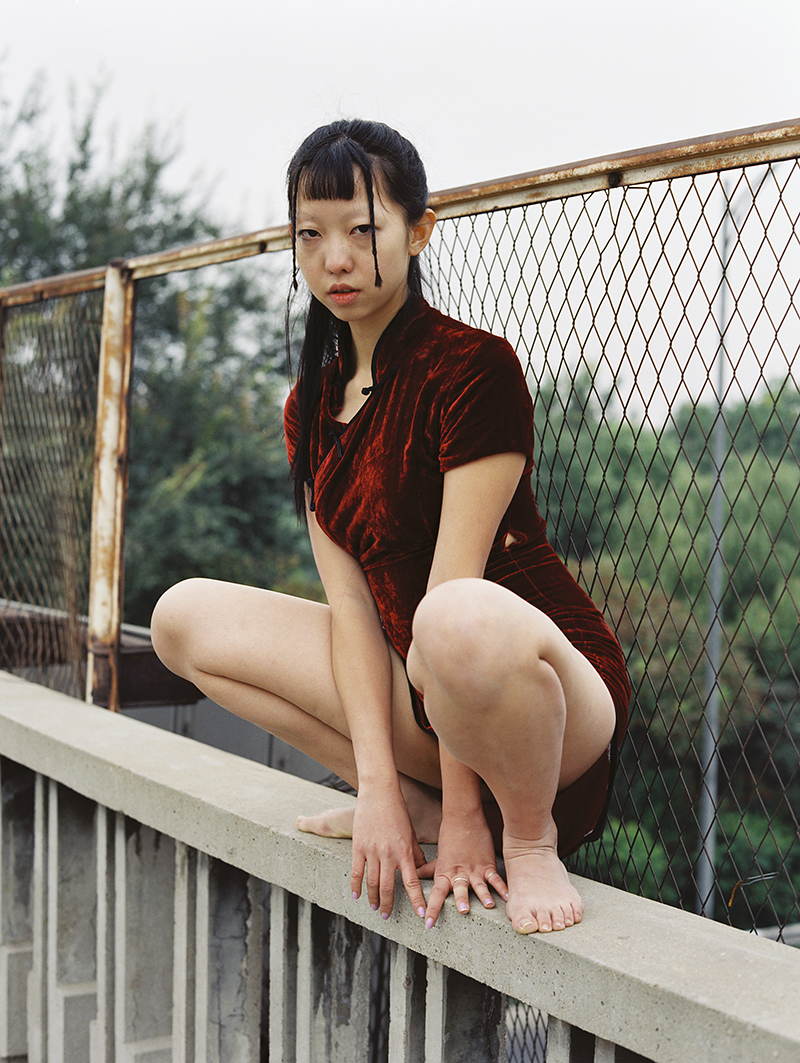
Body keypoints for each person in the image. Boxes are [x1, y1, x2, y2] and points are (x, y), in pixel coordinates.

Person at [151, 119, 630, 935]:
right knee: (181, 617)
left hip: (543, 700)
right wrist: (374, 788)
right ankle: (414, 803)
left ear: (418, 232)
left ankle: (528, 833)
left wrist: (480, 814)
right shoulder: (310, 405)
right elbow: (355, 617)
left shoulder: (473, 369)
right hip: (424, 687)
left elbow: (453, 591)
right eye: (312, 234)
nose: (334, 258)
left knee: (453, 616)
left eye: (363, 230)